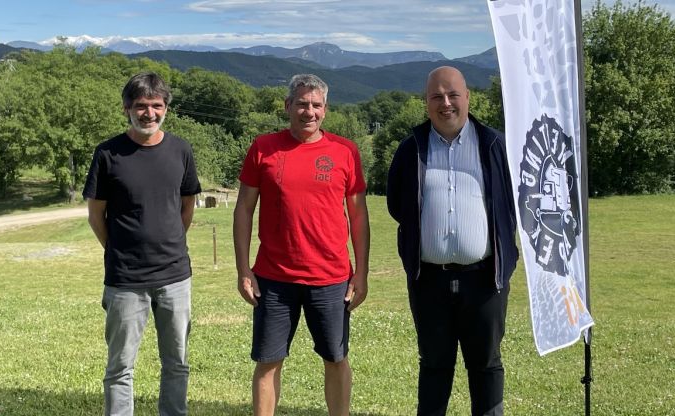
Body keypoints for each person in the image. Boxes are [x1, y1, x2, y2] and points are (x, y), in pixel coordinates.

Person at [233, 74, 370, 416]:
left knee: (335, 358)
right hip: (274, 279)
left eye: (316, 105)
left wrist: (362, 273)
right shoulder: (264, 147)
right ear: (287, 107)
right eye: (302, 104)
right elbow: (244, 209)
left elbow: (359, 216)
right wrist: (243, 269)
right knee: (268, 362)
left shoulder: (345, 151)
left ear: (325, 109)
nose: (309, 111)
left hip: (331, 277)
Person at [386, 66, 519, 416]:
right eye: (436, 97)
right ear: (426, 103)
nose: (445, 103)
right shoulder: (411, 148)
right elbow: (397, 207)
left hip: (485, 280)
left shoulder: (495, 145)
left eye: (452, 94)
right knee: (434, 366)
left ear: (467, 98)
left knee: (486, 365)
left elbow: (515, 205)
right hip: (429, 281)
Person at [83, 72, 202, 416]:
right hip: (125, 280)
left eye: (156, 105)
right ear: (127, 109)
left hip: (175, 276)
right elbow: (96, 216)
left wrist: (170, 243)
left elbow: (187, 206)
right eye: (140, 106)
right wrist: (120, 250)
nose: (149, 113)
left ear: (166, 108)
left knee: (177, 362)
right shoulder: (108, 153)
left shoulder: (181, 149)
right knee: (120, 368)